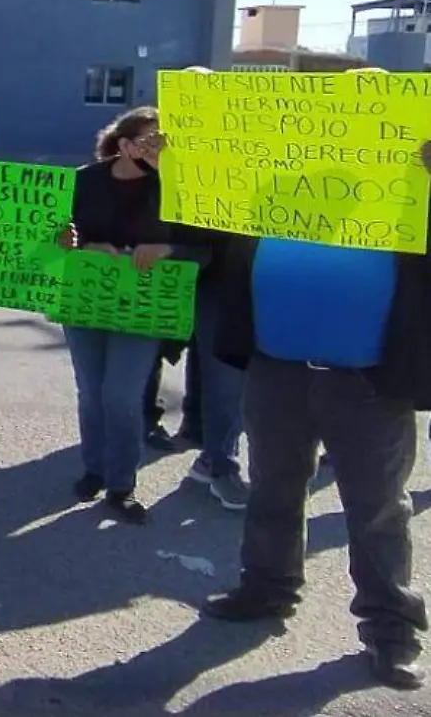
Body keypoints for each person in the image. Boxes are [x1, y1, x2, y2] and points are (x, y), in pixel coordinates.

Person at [200, 136, 431, 691]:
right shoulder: (277, 183)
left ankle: (392, 628)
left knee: (377, 507)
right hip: (277, 367)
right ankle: (268, 587)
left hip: (369, 381)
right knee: (273, 488)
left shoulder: (411, 191)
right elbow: (201, 222)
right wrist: (184, 159)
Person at [57, 107, 205, 525]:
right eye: (149, 141)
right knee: (91, 392)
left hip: (143, 309)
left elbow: (206, 247)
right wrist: (80, 243)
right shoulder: (85, 180)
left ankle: (121, 485)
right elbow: (50, 234)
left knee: (122, 396)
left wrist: (168, 250)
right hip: (86, 300)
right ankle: (94, 470)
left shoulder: (177, 188)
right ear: (123, 145)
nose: (157, 149)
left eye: (163, 142)